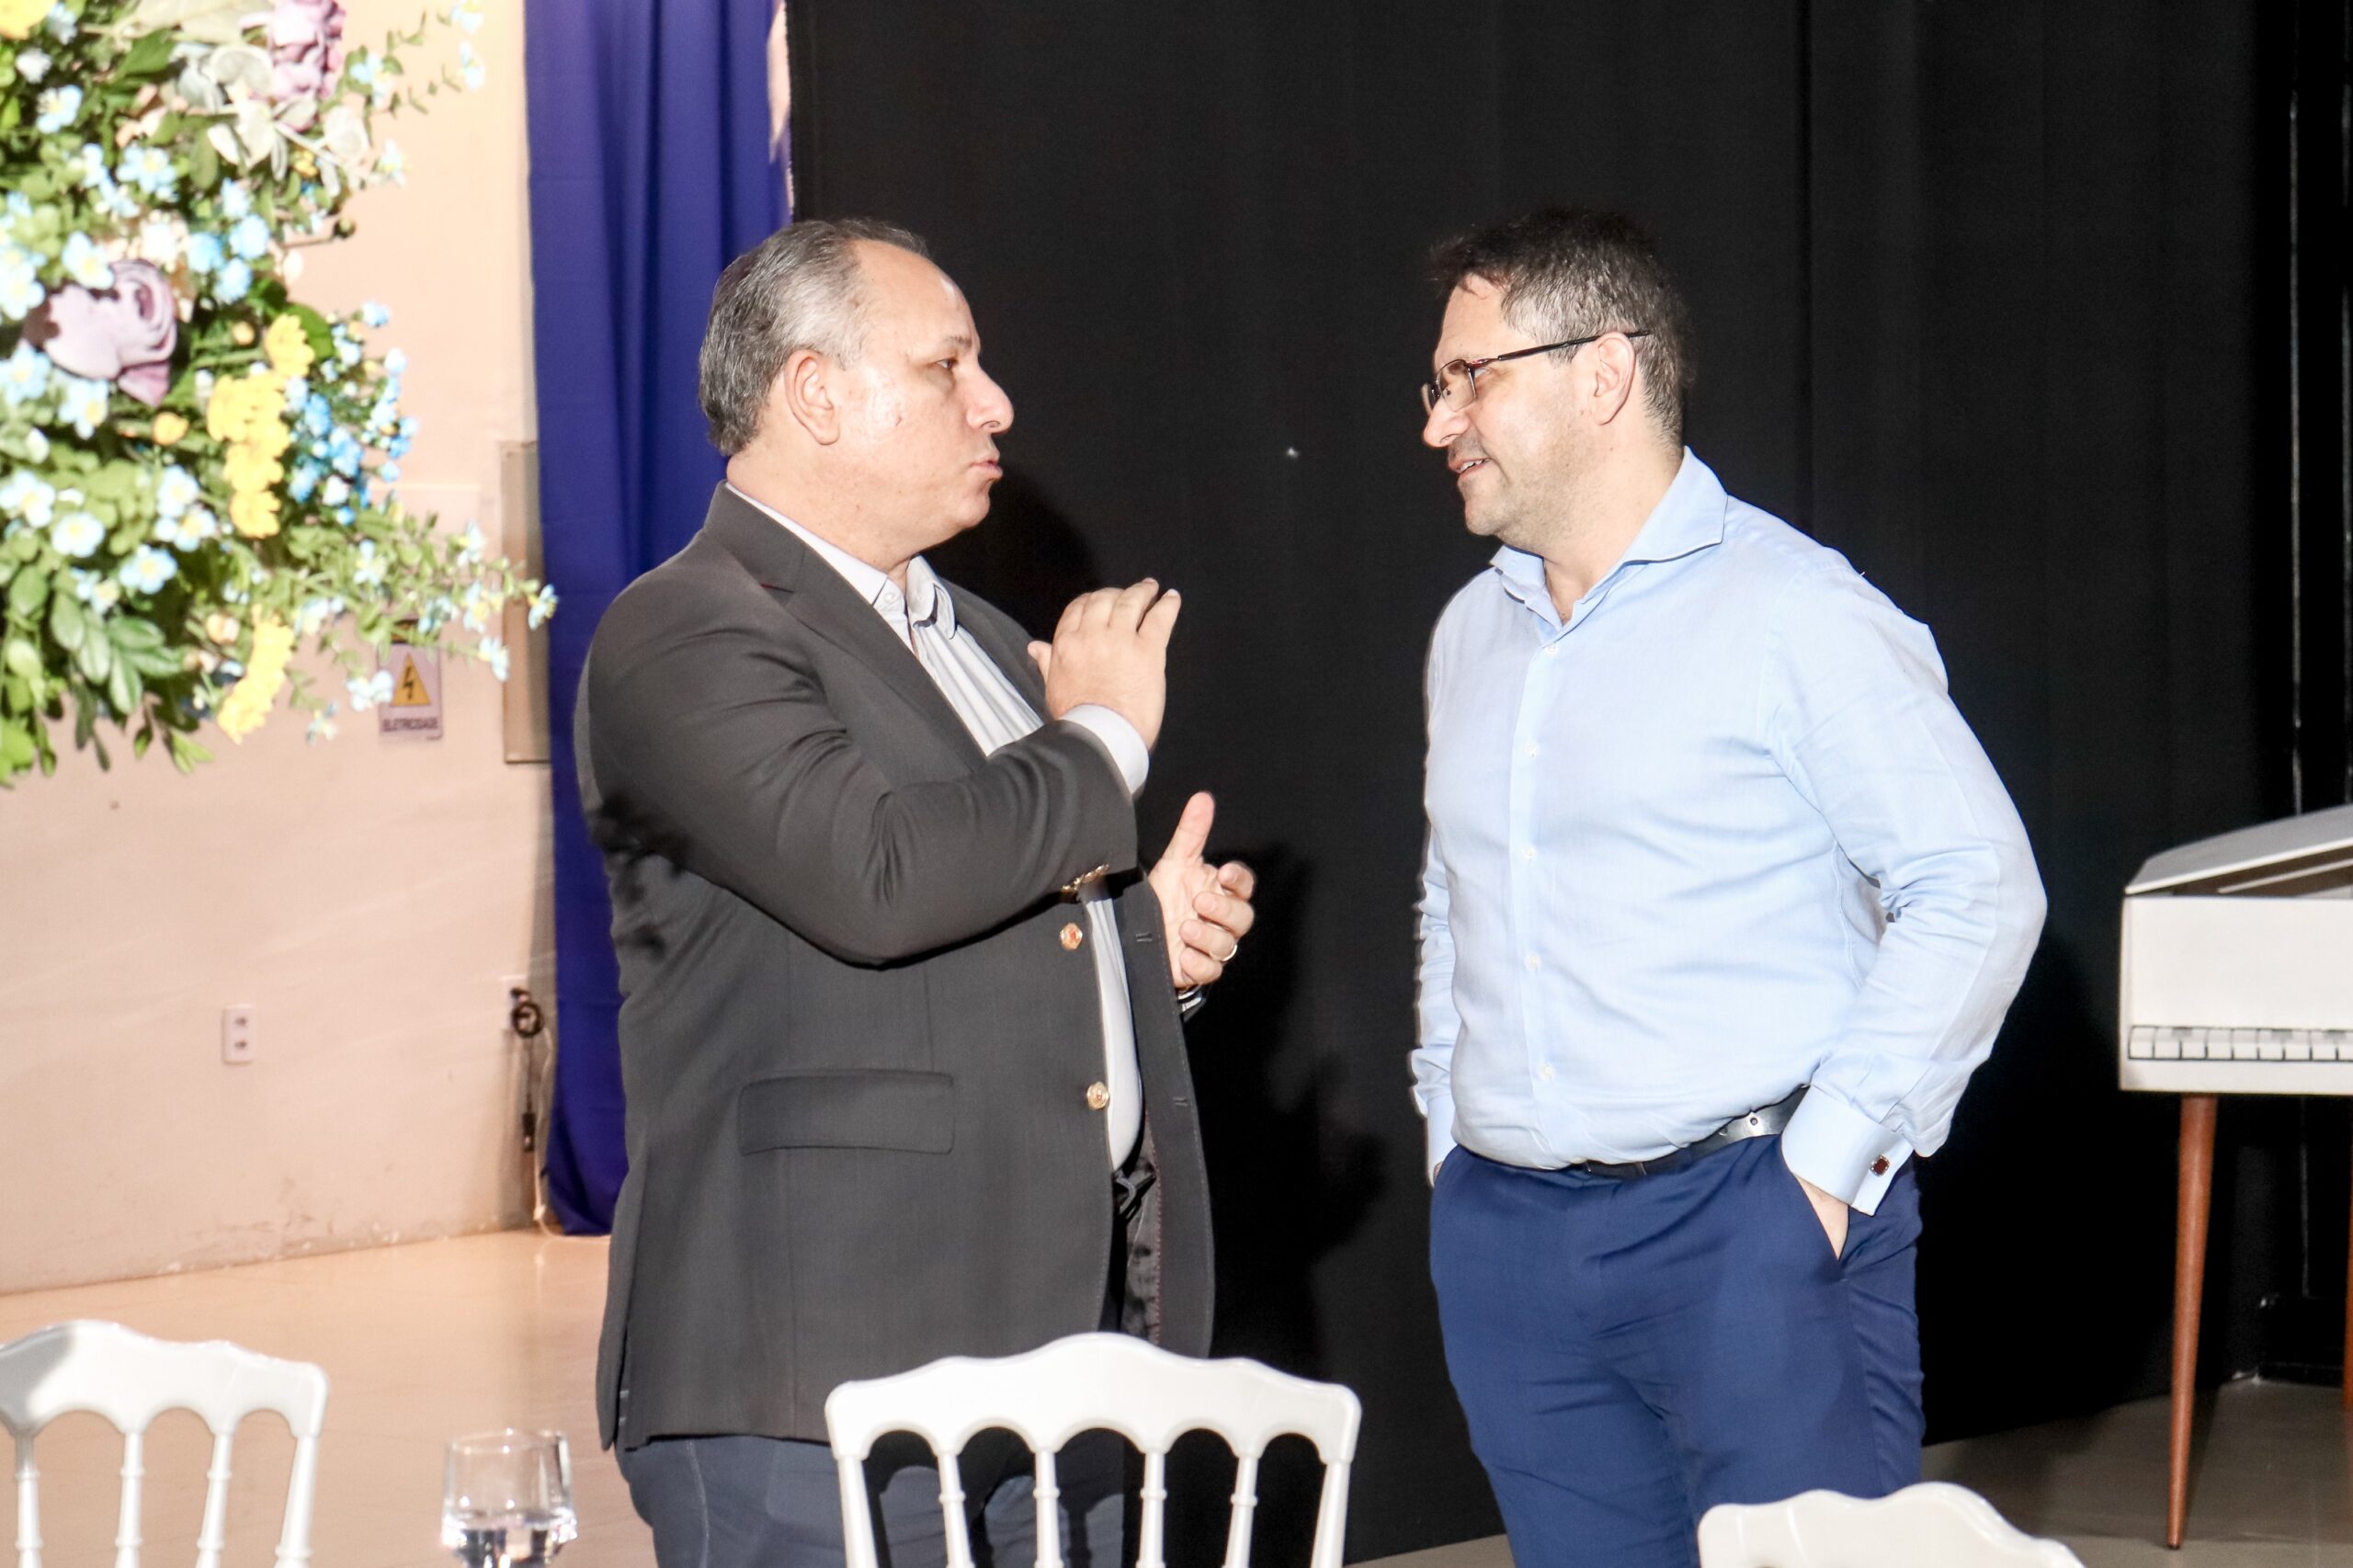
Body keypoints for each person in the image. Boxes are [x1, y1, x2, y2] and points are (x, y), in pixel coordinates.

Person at [576, 217, 1257, 1568]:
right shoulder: (690, 625)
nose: (995, 403)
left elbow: (994, 909)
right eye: (949, 365)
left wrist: (1139, 942)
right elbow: (876, 875)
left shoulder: (988, 642)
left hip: (1057, 1363)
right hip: (814, 1387)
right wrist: (1104, 735)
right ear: (815, 393)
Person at [1411, 207, 2046, 1568]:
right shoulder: (1472, 630)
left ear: (1604, 373)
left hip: (1748, 1225)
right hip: (1510, 1247)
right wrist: (1449, 1134)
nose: (1439, 421)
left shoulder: (1795, 609)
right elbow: (1455, 892)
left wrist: (1825, 1169)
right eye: (1437, 382)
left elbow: (1978, 882)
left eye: (1471, 377)